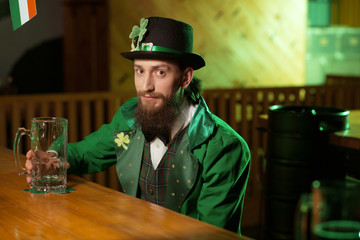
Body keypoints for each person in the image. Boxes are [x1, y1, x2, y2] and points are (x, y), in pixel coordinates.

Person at [26, 16, 251, 235]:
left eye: (159, 72)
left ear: (185, 78)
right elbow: (85, 153)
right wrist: (52, 158)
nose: (146, 86)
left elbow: (211, 235)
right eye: (140, 70)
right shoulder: (130, 117)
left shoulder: (225, 148)